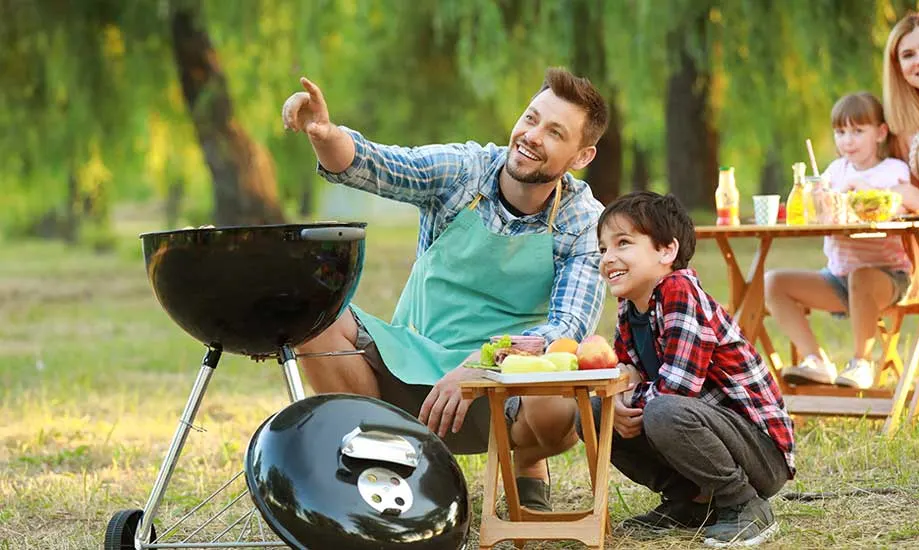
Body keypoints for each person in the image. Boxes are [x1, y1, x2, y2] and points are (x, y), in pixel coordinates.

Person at [281, 67, 609, 511]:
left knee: (556, 406)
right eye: (531, 118)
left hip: (504, 386)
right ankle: (380, 460)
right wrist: (324, 133)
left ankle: (528, 462)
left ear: (580, 156)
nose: (532, 136)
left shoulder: (584, 220)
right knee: (317, 314)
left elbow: (568, 327)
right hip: (409, 362)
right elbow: (380, 165)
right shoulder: (465, 170)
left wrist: (480, 365)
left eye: (554, 132)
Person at [578, 191, 795, 547]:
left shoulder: (679, 291)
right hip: (701, 433)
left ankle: (743, 502)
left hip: (758, 452)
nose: (608, 258)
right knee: (592, 410)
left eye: (623, 243)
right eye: (603, 249)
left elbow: (676, 389)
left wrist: (629, 395)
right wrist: (615, 400)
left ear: (667, 251)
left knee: (662, 410)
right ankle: (692, 501)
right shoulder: (630, 306)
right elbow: (625, 367)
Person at [766, 92, 919, 390]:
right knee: (773, 283)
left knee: (862, 277)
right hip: (838, 279)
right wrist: (818, 202)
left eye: (857, 131)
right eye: (840, 132)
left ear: (880, 132)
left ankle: (861, 362)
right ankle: (816, 360)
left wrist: (860, 189)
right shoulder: (834, 172)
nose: (847, 140)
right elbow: (817, 215)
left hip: (888, 278)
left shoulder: (893, 171)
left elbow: (897, 209)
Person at [883, 10, 919, 209]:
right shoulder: (905, 132)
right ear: (898, 67)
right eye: (908, 55)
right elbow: (913, 220)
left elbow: (917, 202)